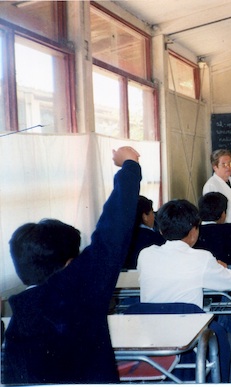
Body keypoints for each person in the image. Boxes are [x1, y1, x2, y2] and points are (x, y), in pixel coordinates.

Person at [2, 146, 141, 384]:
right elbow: (113, 229)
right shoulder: (80, 292)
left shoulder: (16, 321)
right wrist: (130, 165)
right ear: (69, 264)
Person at [137, 199, 231, 383]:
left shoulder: (145, 255)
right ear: (194, 231)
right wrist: (222, 267)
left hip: (151, 340)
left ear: (160, 230)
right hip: (190, 344)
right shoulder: (202, 258)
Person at [203, 149, 231, 226]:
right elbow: (211, 218)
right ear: (215, 167)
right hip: (224, 232)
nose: (228, 167)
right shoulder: (211, 186)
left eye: (230, 164)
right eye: (224, 164)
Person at [123, 195, 165, 270]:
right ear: (145, 216)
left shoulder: (121, 238)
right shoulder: (156, 239)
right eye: (152, 213)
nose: (154, 216)